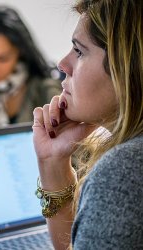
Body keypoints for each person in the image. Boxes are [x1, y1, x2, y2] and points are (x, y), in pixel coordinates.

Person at [33, 0, 143, 249]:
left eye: (79, 51)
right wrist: (52, 163)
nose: (62, 63)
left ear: (126, 67)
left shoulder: (124, 172)